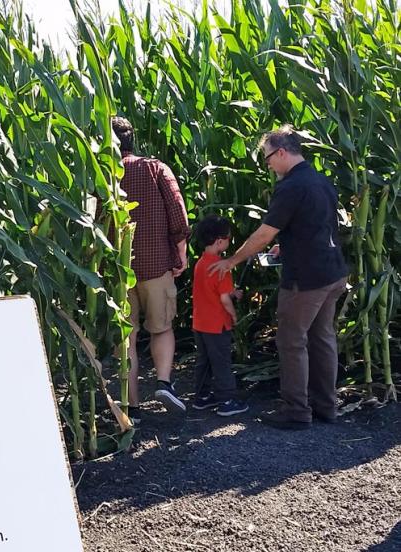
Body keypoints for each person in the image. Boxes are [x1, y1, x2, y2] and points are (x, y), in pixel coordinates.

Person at [209, 125, 348, 430]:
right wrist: (286, 244)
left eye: (268, 158)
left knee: (291, 340)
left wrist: (232, 260)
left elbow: (263, 233)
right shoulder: (320, 180)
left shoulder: (290, 186)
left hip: (306, 279)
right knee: (323, 337)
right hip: (333, 272)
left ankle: (296, 411)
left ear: (282, 152)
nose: (268, 164)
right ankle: (326, 407)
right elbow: (316, 225)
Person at [111, 117, 190, 421]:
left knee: (126, 337)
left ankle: (132, 405)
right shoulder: (154, 168)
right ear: (131, 138)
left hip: (117, 269)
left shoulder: (101, 175)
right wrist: (180, 252)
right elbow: (177, 212)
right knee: (162, 327)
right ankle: (163, 383)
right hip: (157, 265)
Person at [191, 215, 248, 416]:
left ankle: (202, 397)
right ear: (219, 241)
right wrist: (233, 315)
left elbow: (212, 290)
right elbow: (224, 300)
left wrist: (233, 292)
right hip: (217, 325)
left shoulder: (201, 263)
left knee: (204, 360)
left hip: (200, 324)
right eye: (228, 238)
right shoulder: (221, 266)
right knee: (222, 361)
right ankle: (226, 400)